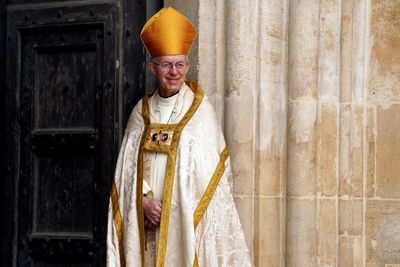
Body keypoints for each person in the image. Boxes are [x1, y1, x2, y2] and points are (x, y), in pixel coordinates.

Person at [107, 7, 252, 267]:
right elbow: (127, 171)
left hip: (182, 224)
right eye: (166, 64)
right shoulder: (140, 113)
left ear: (188, 66)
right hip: (146, 224)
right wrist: (143, 202)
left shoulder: (200, 112)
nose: (174, 72)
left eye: (179, 64)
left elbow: (211, 177)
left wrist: (174, 208)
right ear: (153, 68)